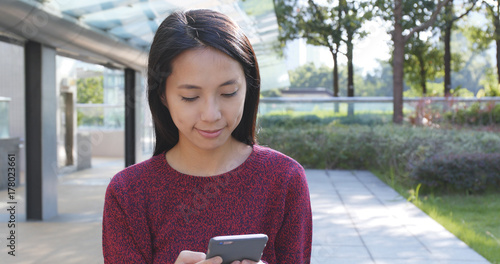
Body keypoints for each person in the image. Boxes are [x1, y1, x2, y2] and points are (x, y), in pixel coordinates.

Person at [102, 9, 312, 264]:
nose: (211, 114)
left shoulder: (284, 179)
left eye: (228, 92)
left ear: (249, 88)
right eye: (190, 97)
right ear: (162, 96)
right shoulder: (129, 193)